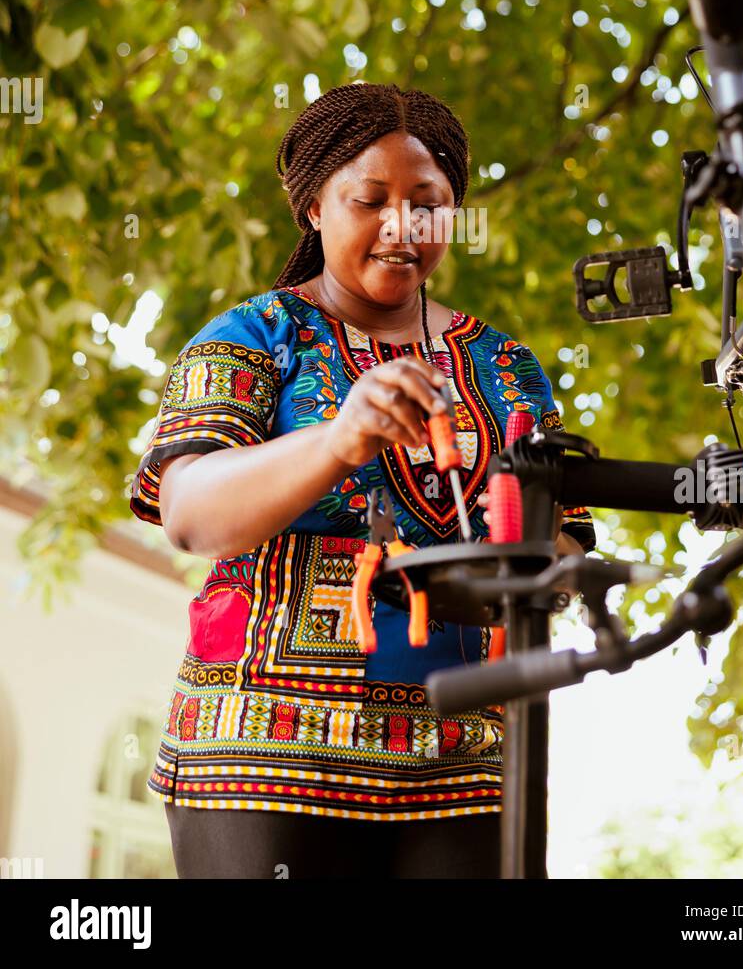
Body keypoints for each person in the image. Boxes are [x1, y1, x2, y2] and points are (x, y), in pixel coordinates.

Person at [129, 82, 596, 879]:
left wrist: (531, 543)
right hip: (262, 750)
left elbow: (564, 562)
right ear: (315, 207)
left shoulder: (507, 365)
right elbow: (190, 514)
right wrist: (340, 438)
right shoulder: (255, 335)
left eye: (428, 202)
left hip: (470, 761)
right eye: (369, 200)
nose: (402, 226)